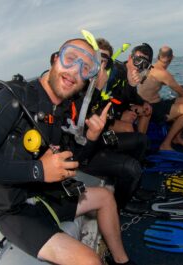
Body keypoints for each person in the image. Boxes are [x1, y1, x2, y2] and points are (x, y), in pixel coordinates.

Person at [0, 38, 134, 265]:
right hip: (15, 210)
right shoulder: (12, 98)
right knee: (89, 261)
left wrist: (91, 139)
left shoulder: (61, 111)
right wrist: (38, 170)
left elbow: (72, 161)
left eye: (86, 68)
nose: (75, 71)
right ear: (55, 59)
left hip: (45, 195)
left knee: (105, 197)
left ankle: (123, 261)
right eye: (71, 58)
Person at [76, 39, 152, 212]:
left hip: (99, 141)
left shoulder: (106, 80)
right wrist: (96, 90)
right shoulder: (78, 84)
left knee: (141, 140)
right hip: (83, 153)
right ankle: (119, 207)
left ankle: (132, 189)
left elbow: (113, 104)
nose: (101, 65)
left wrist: (132, 90)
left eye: (105, 61)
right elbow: (81, 114)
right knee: (131, 167)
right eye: (97, 58)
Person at [138, 45, 183, 150]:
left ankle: (177, 137)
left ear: (158, 57)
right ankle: (166, 143)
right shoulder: (163, 73)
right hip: (151, 108)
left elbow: (177, 88)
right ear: (172, 57)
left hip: (149, 103)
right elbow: (182, 92)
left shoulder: (153, 67)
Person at [104, 43, 154, 134]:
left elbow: (131, 95)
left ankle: (140, 138)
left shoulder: (131, 74)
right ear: (130, 58)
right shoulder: (115, 72)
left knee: (147, 110)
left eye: (144, 64)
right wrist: (119, 116)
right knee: (128, 128)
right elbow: (102, 99)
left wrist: (143, 102)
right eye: (137, 60)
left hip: (120, 108)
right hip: (106, 113)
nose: (139, 66)